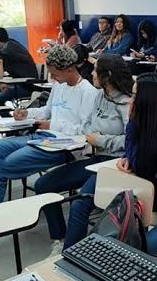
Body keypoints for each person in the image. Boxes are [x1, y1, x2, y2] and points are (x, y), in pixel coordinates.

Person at [0, 45, 99, 265]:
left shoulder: (88, 93)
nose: (51, 77)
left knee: (3, 167)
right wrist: (27, 113)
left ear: (69, 68)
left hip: (65, 147)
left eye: (54, 73)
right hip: (42, 137)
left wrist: (52, 124)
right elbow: (46, 111)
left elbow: (85, 131)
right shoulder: (59, 85)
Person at [62, 73, 157, 252]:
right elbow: (135, 155)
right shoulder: (141, 121)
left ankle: (125, 257)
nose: (129, 100)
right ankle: (70, 254)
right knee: (82, 201)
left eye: (134, 95)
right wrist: (128, 158)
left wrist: (135, 164)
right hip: (151, 183)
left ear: (148, 101)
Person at [35, 54, 133, 255]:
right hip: (96, 159)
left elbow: (132, 142)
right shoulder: (99, 96)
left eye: (96, 71)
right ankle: (60, 238)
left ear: (108, 75)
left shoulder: (127, 103)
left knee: (80, 204)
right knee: (43, 184)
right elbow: (87, 125)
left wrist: (101, 140)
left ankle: (70, 255)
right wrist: (90, 136)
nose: (92, 74)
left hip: (117, 165)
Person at [0, 27, 38, 106]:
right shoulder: (11, 44)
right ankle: (3, 113)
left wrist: (1, 83)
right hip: (19, 83)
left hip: (27, 86)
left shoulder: (8, 48)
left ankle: (6, 114)